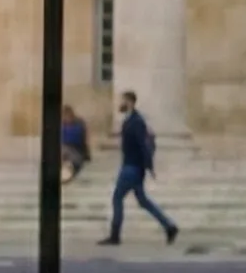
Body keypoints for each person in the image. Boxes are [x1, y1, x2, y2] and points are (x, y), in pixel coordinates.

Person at [98, 91, 177, 246]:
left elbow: (143, 145)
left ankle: (115, 236)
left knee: (117, 198)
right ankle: (169, 226)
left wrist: (149, 166)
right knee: (143, 201)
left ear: (130, 102)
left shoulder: (136, 121)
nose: (120, 104)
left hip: (131, 168)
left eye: (123, 101)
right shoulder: (130, 120)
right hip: (133, 166)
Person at [58, 104, 91, 185]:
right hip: (69, 153)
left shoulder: (78, 125)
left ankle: (67, 172)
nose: (66, 118)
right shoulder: (64, 125)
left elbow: (81, 140)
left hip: (75, 152)